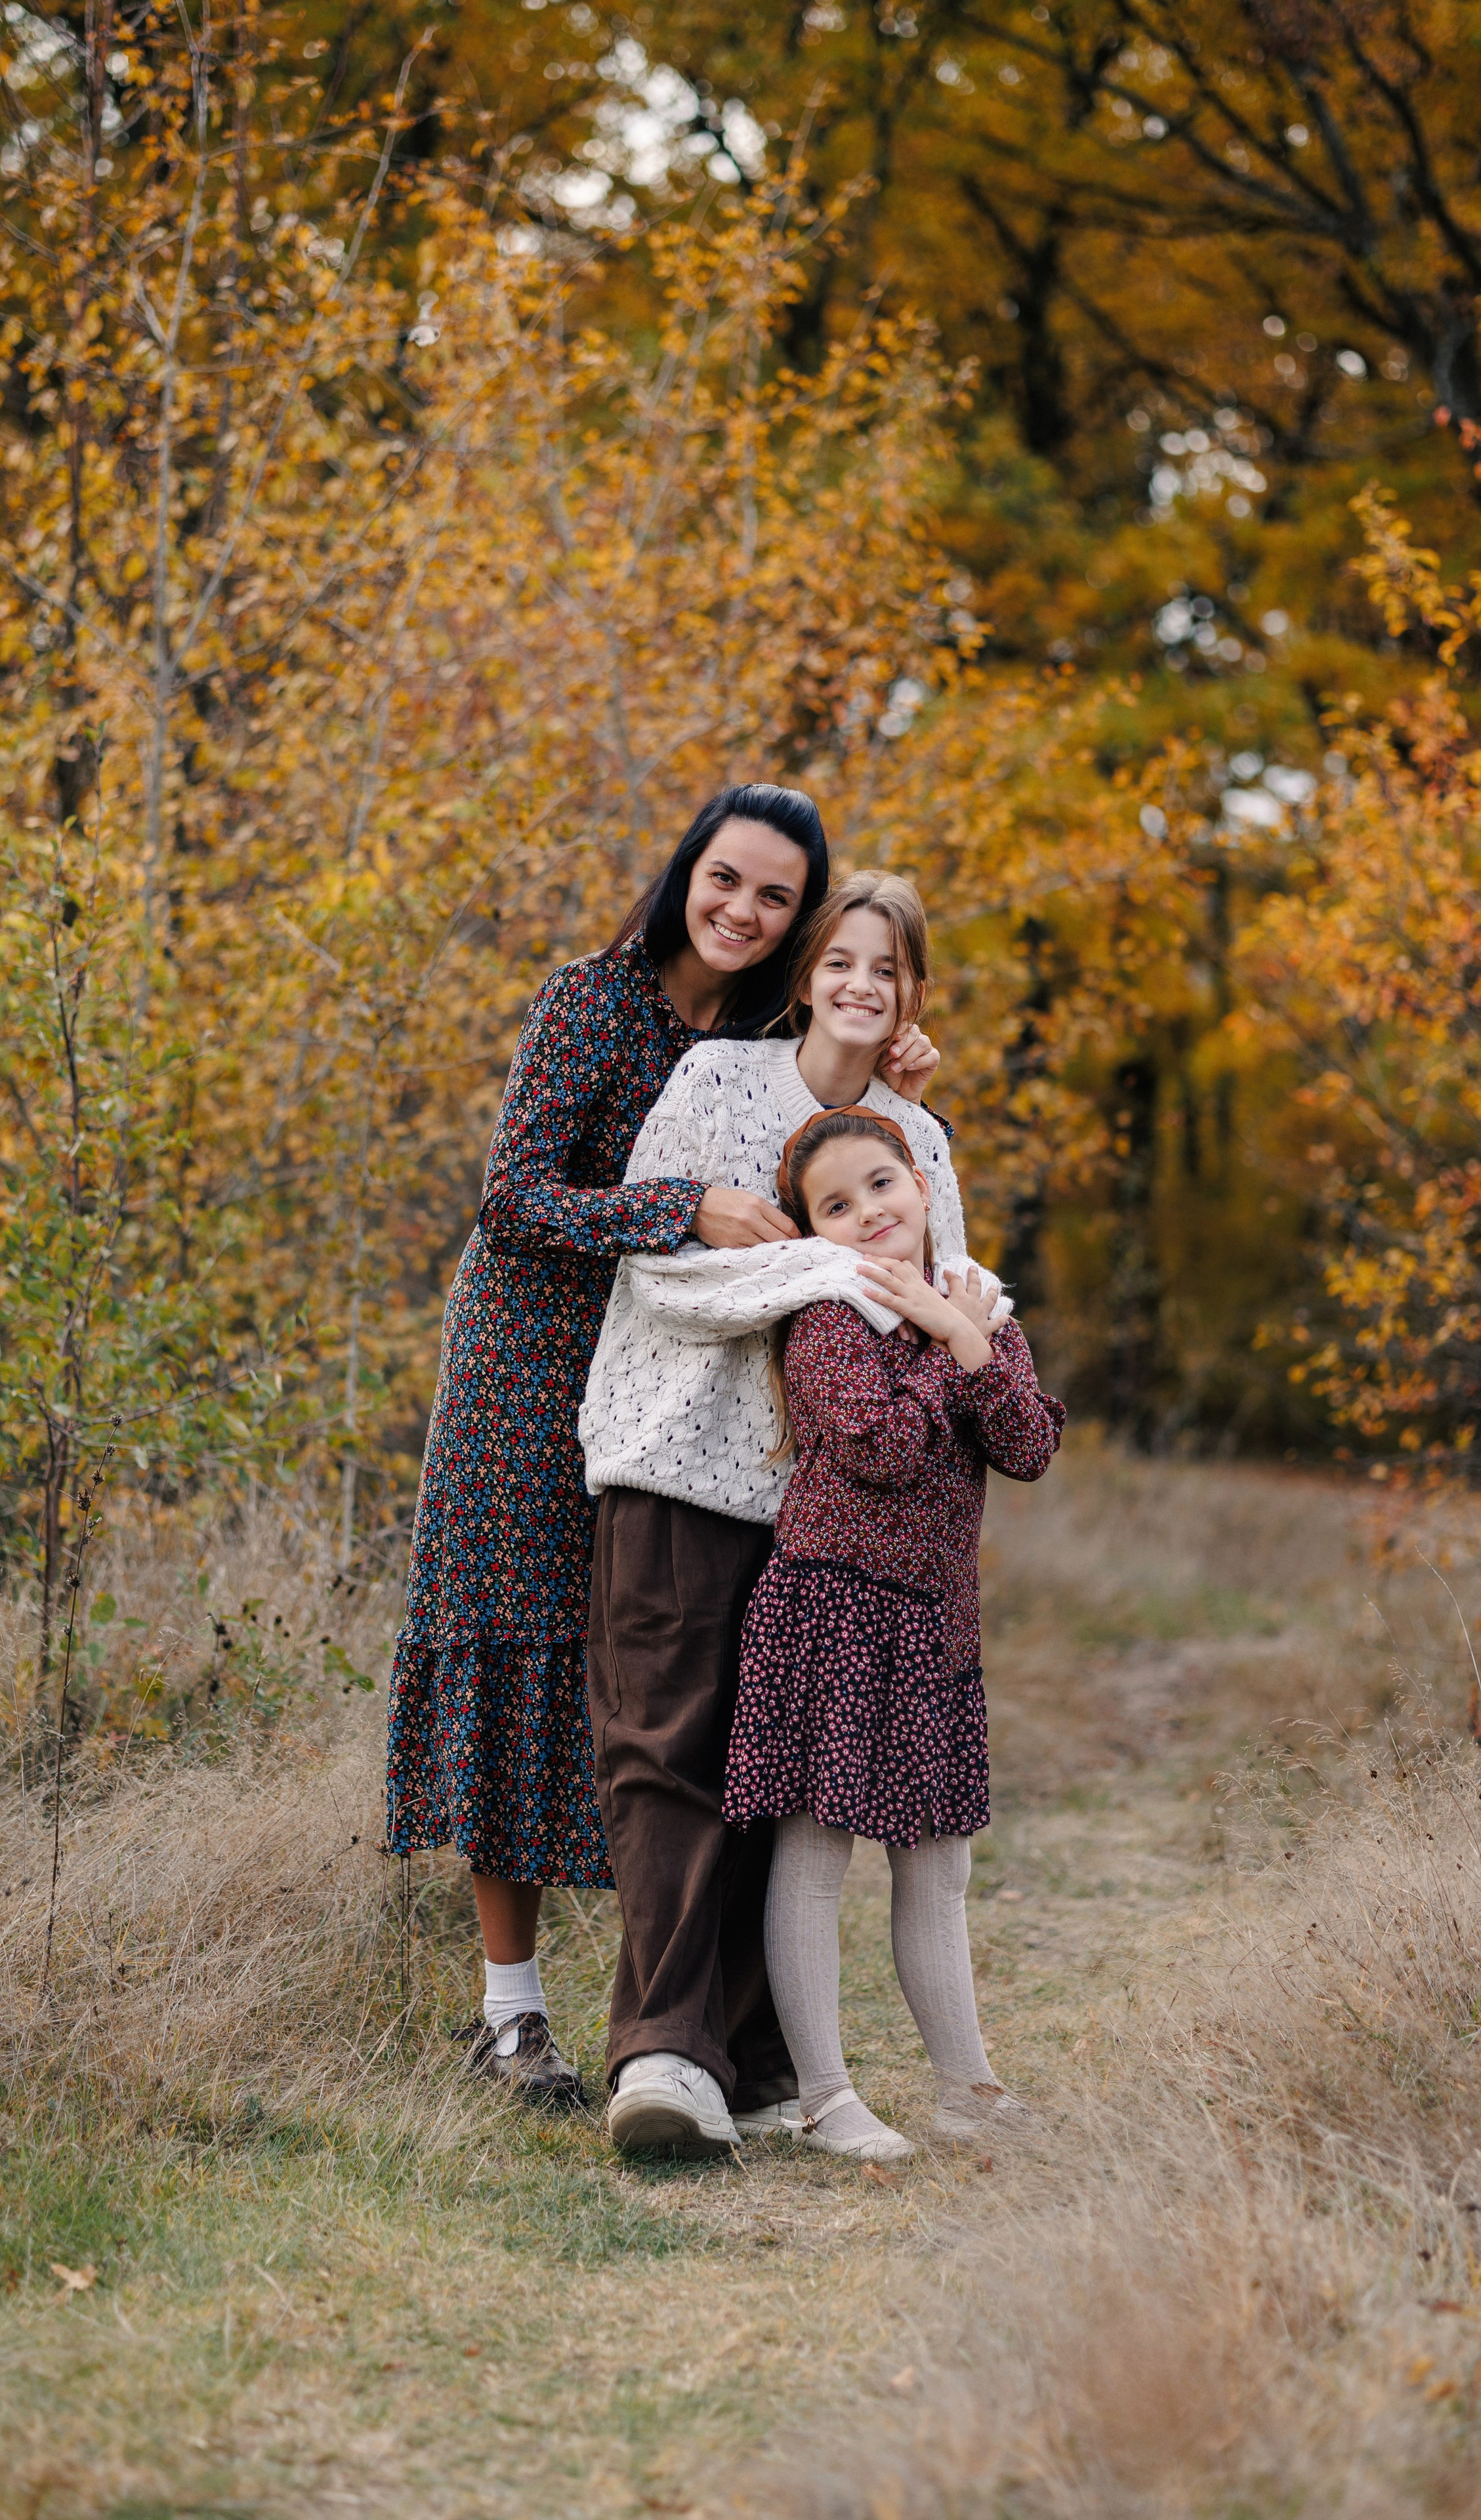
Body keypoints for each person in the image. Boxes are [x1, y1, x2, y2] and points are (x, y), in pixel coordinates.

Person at [386, 784, 843, 2105]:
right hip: (527, 1362)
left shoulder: (773, 1033)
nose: (743, 912)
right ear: (683, 872)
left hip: (677, 1381)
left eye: (773, 897)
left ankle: (681, 2018)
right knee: (517, 1650)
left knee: (661, 1668)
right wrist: (677, 1207)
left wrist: (889, 1073)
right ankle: (509, 2020)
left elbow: (833, 1155)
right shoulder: (593, 997)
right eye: (725, 880)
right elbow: (513, 1196)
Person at [579, 872, 985, 2154]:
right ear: (807, 975)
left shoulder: (916, 1139)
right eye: (843, 962)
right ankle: (662, 2058)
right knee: (673, 1759)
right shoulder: (713, 1085)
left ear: (914, 995)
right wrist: (824, 1264)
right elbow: (660, 1268)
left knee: (778, 1794)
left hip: (833, 1513)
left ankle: (758, 2062)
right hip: (680, 1466)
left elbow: (946, 1311)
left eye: (889, 970)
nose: (863, 987)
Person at [719, 1106, 1064, 2163]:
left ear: (920, 1185)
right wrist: (939, 1339)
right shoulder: (827, 1319)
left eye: (882, 1185)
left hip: (934, 1628)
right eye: (837, 1204)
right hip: (833, 1604)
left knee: (937, 1867)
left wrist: (966, 1332)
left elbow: (1030, 1444)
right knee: (817, 1853)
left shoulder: (982, 1311)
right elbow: (882, 1448)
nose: (869, 1212)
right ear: (815, 1232)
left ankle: (966, 2087)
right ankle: (825, 2097)